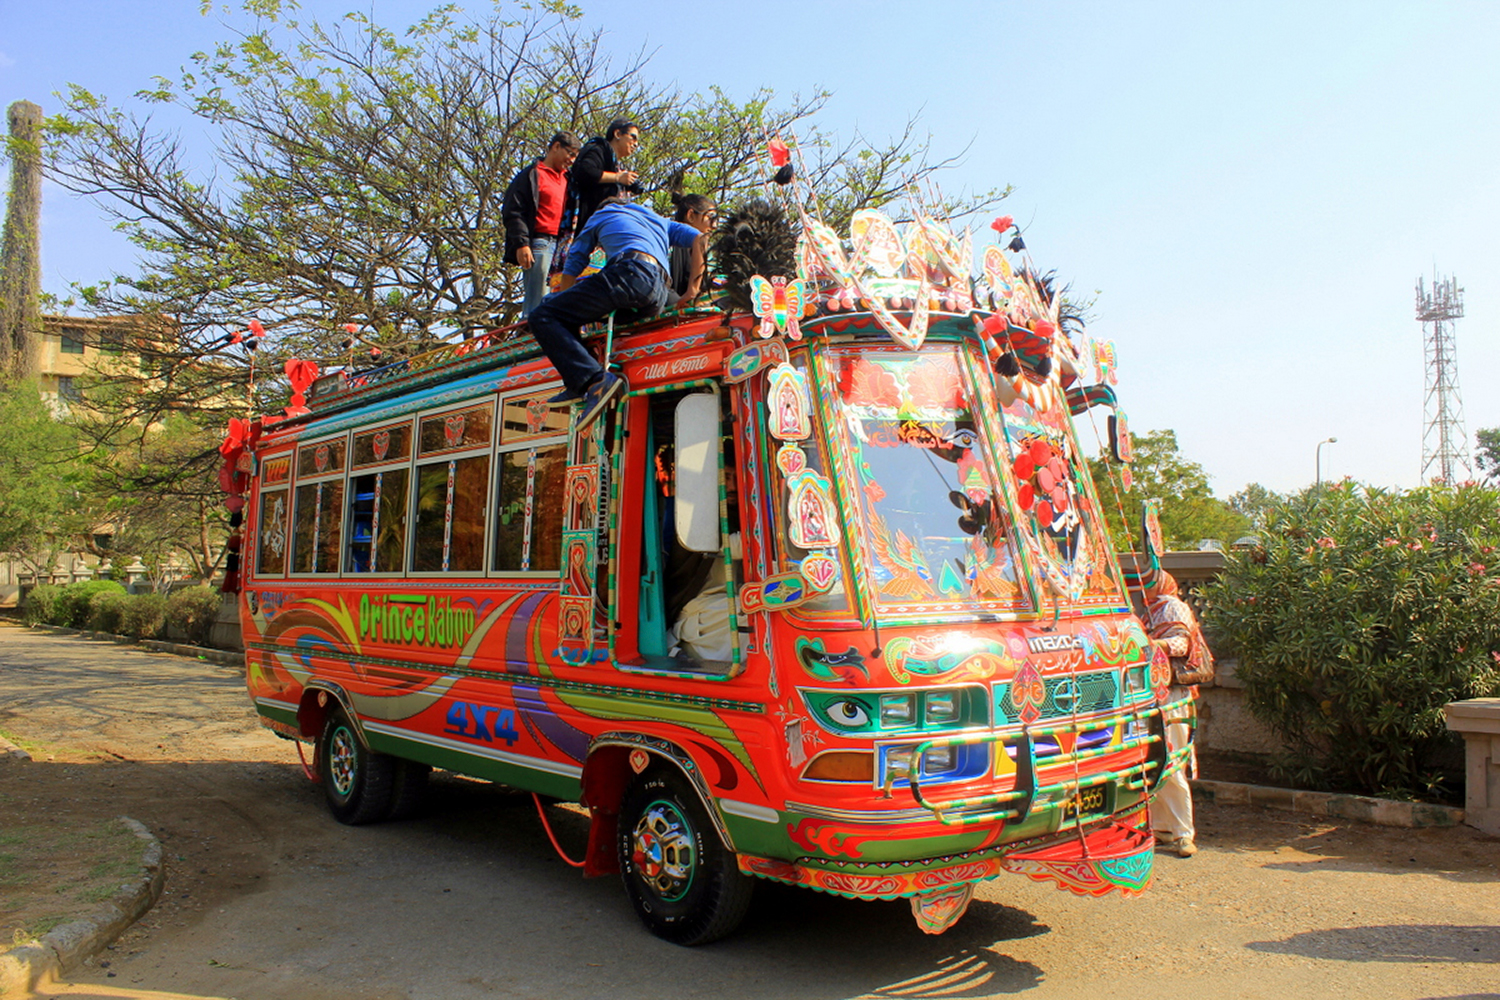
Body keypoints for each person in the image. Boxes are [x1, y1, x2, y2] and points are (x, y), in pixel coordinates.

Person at [527, 195, 707, 429]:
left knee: (544, 315)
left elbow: (574, 262)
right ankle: (578, 382)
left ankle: (595, 381)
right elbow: (701, 239)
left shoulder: (602, 213)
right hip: (658, 294)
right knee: (572, 314)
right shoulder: (657, 219)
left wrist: (563, 299)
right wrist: (693, 289)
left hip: (630, 274)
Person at [1143, 570, 1213, 858]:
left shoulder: (1172, 606)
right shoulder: (1148, 611)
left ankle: (1184, 833)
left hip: (1172, 692)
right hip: (1150, 693)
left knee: (1172, 759)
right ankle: (1160, 827)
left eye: (1148, 580)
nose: (1144, 586)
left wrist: (1150, 645)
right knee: (1152, 762)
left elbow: (1182, 645)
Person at [502, 131, 582, 315]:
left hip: (566, 246)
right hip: (540, 243)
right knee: (538, 298)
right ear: (556, 147)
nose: (571, 160)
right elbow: (514, 211)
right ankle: (533, 334)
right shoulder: (531, 175)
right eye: (570, 154)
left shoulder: (569, 180)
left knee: (563, 297)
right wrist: (521, 244)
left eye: (575, 157)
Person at [571, 119, 641, 229]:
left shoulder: (617, 166)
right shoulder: (599, 150)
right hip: (589, 225)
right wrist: (617, 178)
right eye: (633, 137)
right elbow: (585, 171)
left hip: (607, 228)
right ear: (617, 134)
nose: (636, 144)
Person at [667, 193, 718, 302]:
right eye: (710, 218)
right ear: (691, 216)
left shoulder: (710, 255)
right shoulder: (668, 247)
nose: (714, 226)